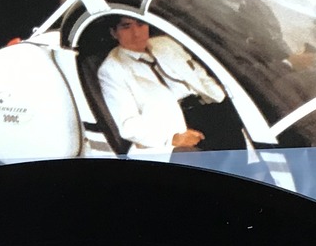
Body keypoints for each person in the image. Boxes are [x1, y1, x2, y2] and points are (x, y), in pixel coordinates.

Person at [97, 16, 245, 152]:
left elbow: (200, 76)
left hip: (211, 109)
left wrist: (222, 99)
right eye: (126, 27)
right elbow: (129, 125)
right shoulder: (111, 69)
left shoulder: (166, 43)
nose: (136, 33)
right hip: (178, 126)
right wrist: (172, 137)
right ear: (114, 33)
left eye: (141, 24)